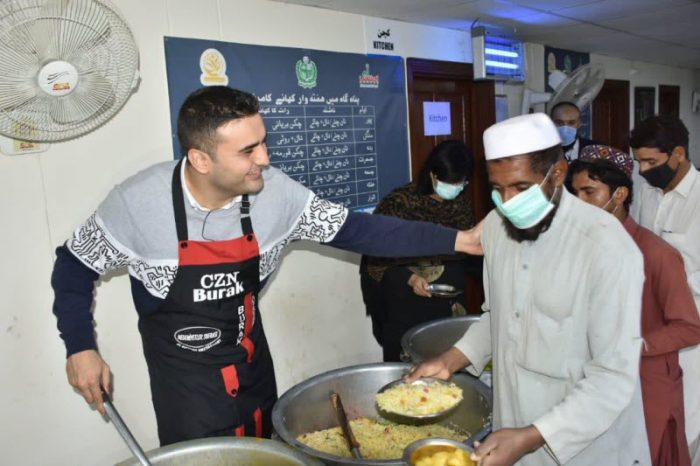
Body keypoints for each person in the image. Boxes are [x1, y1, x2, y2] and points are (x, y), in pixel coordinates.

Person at [50, 86, 484, 446]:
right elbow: (73, 264)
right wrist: (80, 347)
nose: (265, 158)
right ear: (201, 159)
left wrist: (459, 240)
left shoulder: (275, 193)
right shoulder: (137, 203)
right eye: (248, 150)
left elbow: (360, 230)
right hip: (185, 383)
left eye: (264, 141)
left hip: (253, 365)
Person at [408, 113, 651, 466]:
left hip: (584, 443)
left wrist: (533, 436)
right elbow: (497, 317)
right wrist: (451, 360)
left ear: (557, 174)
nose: (507, 201)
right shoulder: (496, 227)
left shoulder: (605, 246)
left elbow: (612, 376)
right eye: (497, 188)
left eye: (521, 188)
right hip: (514, 428)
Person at [571, 145, 700, 466]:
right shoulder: (578, 248)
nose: (579, 203)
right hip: (593, 379)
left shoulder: (656, 254)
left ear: (619, 194)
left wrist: (632, 346)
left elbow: (690, 327)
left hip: (646, 383)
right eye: (574, 194)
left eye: (590, 192)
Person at [360, 140, 479, 362]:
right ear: (433, 175)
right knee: (406, 369)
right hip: (406, 303)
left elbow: (468, 250)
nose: (456, 188)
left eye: (461, 183)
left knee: (446, 368)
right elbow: (376, 255)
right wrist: (410, 278)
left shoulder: (460, 204)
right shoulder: (400, 202)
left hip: (448, 301)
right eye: (449, 182)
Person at [630, 114, 700, 464]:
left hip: (691, 335)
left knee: (684, 430)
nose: (643, 170)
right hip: (649, 327)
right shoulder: (645, 190)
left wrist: (668, 274)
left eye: (651, 162)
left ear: (678, 154)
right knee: (650, 428)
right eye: (639, 161)